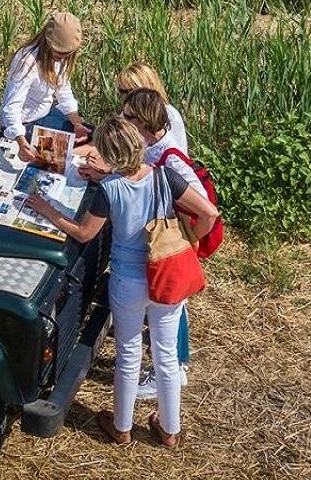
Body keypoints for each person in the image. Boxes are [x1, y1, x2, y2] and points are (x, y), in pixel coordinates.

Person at [22, 115, 218, 447]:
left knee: (128, 353)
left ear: (111, 155)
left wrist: (47, 210)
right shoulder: (164, 176)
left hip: (128, 280)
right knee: (165, 355)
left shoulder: (110, 189)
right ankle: (170, 430)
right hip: (166, 275)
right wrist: (190, 242)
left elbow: (84, 233)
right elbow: (210, 215)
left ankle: (122, 427)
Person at [120, 82, 197, 400]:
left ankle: (172, 372)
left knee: (171, 310)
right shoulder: (153, 148)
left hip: (170, 246)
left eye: (127, 113)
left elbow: (205, 209)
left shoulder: (169, 159)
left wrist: (191, 243)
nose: (122, 115)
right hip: (162, 243)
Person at [0, 11, 89, 154]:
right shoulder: (27, 62)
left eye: (67, 54)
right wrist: (21, 142)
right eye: (58, 53)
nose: (62, 58)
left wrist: (77, 124)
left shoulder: (63, 59)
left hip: (46, 114)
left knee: (90, 138)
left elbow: (64, 92)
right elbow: (12, 107)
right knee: (62, 152)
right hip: (24, 124)